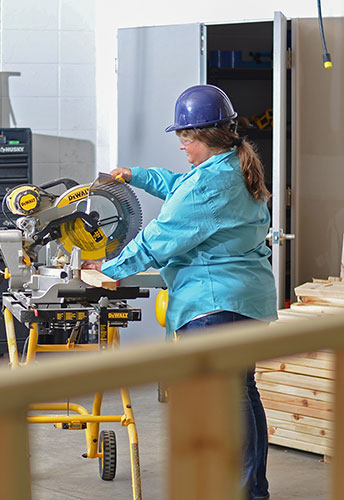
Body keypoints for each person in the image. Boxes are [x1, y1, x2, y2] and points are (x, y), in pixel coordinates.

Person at [87, 84, 276, 500]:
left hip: (215, 306)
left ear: (204, 136)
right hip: (243, 300)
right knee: (243, 395)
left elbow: (159, 238)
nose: (182, 147)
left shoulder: (210, 184)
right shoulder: (227, 168)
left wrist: (108, 268)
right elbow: (178, 185)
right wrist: (134, 176)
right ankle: (250, 489)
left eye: (185, 139)